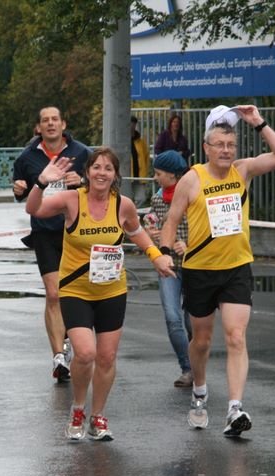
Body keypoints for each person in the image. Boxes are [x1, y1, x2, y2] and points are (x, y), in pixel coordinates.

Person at [160, 104, 275, 436]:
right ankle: (200, 391)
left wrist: (258, 122)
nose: (225, 150)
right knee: (202, 341)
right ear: (206, 147)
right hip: (199, 270)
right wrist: (163, 253)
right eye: (219, 144)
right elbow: (171, 221)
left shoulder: (242, 170)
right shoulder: (193, 178)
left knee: (236, 336)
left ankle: (235, 408)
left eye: (230, 145)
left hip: (236, 267)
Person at [26, 147, 175, 441]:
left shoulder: (124, 205)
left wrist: (156, 255)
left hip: (111, 289)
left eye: (108, 168)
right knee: (85, 353)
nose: (101, 173)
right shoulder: (71, 200)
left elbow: (136, 232)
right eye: (96, 167)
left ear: (115, 175)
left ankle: (98, 416)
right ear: (87, 172)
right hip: (75, 289)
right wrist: (41, 182)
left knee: (106, 357)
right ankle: (78, 408)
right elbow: (34, 209)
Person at [12, 106, 92, 383]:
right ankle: (59, 356)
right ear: (39, 127)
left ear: (63, 124)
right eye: (44, 120)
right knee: (54, 293)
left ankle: (70, 336)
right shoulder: (27, 157)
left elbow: (103, 184)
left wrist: (83, 181)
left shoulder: (82, 153)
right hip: (45, 231)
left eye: (54, 120)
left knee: (75, 292)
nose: (50, 124)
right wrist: (19, 189)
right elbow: (20, 191)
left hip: (76, 231)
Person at [144, 150, 193, 388]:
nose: (155, 178)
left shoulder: (196, 194)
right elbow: (153, 225)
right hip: (169, 266)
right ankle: (187, 369)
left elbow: (212, 228)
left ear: (173, 175)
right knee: (172, 317)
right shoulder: (157, 199)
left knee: (192, 321)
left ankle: (197, 363)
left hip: (196, 265)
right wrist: (153, 236)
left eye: (159, 173)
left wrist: (190, 244)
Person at [130, 116, 151, 208]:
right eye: (130, 124)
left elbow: (146, 157)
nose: (132, 126)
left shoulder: (141, 141)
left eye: (134, 124)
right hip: (127, 175)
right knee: (126, 197)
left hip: (139, 175)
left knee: (141, 197)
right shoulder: (122, 142)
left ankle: (133, 211)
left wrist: (145, 173)